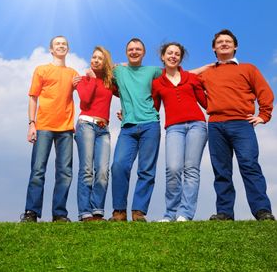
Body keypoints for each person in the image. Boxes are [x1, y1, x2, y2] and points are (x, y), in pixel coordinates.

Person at [199, 29, 275, 221]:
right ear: (214, 48)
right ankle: (224, 212)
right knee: (221, 170)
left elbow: (264, 92)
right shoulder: (207, 73)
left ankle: (262, 211)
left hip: (242, 124)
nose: (224, 44)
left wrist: (263, 115)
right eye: (219, 42)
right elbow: (181, 78)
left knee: (249, 165)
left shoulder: (248, 69)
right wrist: (204, 67)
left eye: (228, 41)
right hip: (216, 125)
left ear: (235, 46)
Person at [20, 35, 79, 223]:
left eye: (64, 44)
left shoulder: (73, 74)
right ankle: (31, 212)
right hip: (44, 125)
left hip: (66, 128)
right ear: (51, 50)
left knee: (65, 172)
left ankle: (59, 213)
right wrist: (31, 123)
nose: (61, 46)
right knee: (38, 170)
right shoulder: (42, 70)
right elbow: (33, 97)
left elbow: (89, 93)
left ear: (67, 49)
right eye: (57, 44)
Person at [152, 42, 208, 222]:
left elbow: (206, 103)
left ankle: (185, 214)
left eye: (177, 54)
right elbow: (152, 108)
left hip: (197, 125)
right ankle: (170, 214)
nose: (173, 56)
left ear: (181, 58)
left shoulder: (191, 78)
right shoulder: (157, 83)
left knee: (191, 169)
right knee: (173, 168)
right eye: (170, 53)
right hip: (174, 127)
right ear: (163, 56)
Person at [109, 38, 163, 222]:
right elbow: (99, 67)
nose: (134, 51)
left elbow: (175, 73)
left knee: (146, 169)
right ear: (126, 52)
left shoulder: (153, 71)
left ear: (144, 52)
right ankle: (119, 211)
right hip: (128, 127)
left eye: (138, 49)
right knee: (118, 166)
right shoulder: (119, 70)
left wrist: (211, 67)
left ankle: (138, 212)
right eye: (131, 49)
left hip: (150, 124)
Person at [74, 46, 115, 222]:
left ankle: (97, 211)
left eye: (100, 58)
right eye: (94, 57)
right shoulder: (83, 79)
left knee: (103, 170)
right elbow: (85, 99)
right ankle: (85, 213)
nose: (96, 60)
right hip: (86, 126)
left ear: (106, 62)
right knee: (87, 170)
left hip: (103, 129)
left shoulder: (110, 83)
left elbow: (128, 95)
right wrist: (90, 78)